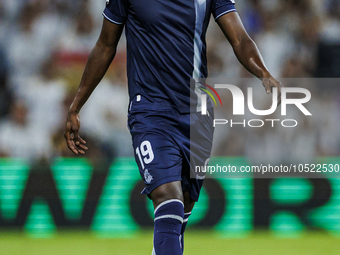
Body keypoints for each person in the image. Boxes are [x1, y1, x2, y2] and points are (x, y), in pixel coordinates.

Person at [64, 0, 282, 254]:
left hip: (197, 116)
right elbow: (104, 45)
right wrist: (76, 105)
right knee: (168, 198)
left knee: (181, 211)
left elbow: (240, 39)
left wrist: (264, 72)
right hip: (150, 112)